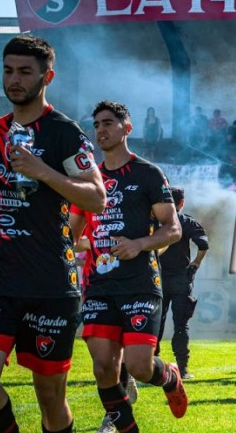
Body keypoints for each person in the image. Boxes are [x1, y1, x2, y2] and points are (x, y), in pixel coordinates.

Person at [0, 35, 107, 433]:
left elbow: (97, 199)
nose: (15, 79)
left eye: (25, 72)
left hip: (50, 284)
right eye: (9, 70)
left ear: (47, 76)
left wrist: (43, 171)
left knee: (50, 398)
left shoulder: (65, 134)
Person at [69, 100, 186, 433]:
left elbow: (173, 229)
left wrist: (138, 244)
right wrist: (78, 243)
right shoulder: (87, 180)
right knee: (104, 370)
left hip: (139, 283)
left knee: (138, 366)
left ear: (126, 128)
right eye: (97, 125)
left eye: (108, 123)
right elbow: (73, 234)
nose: (101, 130)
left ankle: (169, 376)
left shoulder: (147, 173)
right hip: (98, 286)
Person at [156, 186, 209, 380]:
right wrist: (195, 264)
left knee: (155, 324)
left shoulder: (155, 220)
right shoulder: (186, 221)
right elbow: (203, 244)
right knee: (181, 325)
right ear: (182, 203)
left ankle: (151, 366)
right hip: (180, 278)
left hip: (157, 278)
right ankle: (183, 369)